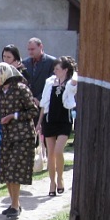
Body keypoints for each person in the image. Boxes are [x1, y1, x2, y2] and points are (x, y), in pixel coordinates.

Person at [0, 62, 39, 219]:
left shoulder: (21, 89)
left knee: (14, 170)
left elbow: (33, 110)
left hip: (22, 136)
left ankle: (14, 205)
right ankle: (14, 204)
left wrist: (14, 116)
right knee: (6, 171)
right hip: (6, 136)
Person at [37, 56, 78, 196]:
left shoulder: (70, 83)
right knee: (51, 154)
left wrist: (73, 71)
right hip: (49, 120)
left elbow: (75, 81)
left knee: (58, 151)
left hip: (64, 121)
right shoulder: (49, 82)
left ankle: (60, 178)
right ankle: (52, 182)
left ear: (65, 70)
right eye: (54, 69)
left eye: (57, 69)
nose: (54, 71)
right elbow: (43, 104)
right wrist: (39, 123)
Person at [22, 38, 56, 103]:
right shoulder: (25, 63)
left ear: (40, 47)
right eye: (29, 49)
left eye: (32, 49)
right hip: (28, 102)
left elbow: (52, 83)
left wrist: (39, 98)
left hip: (45, 102)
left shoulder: (51, 62)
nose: (30, 52)